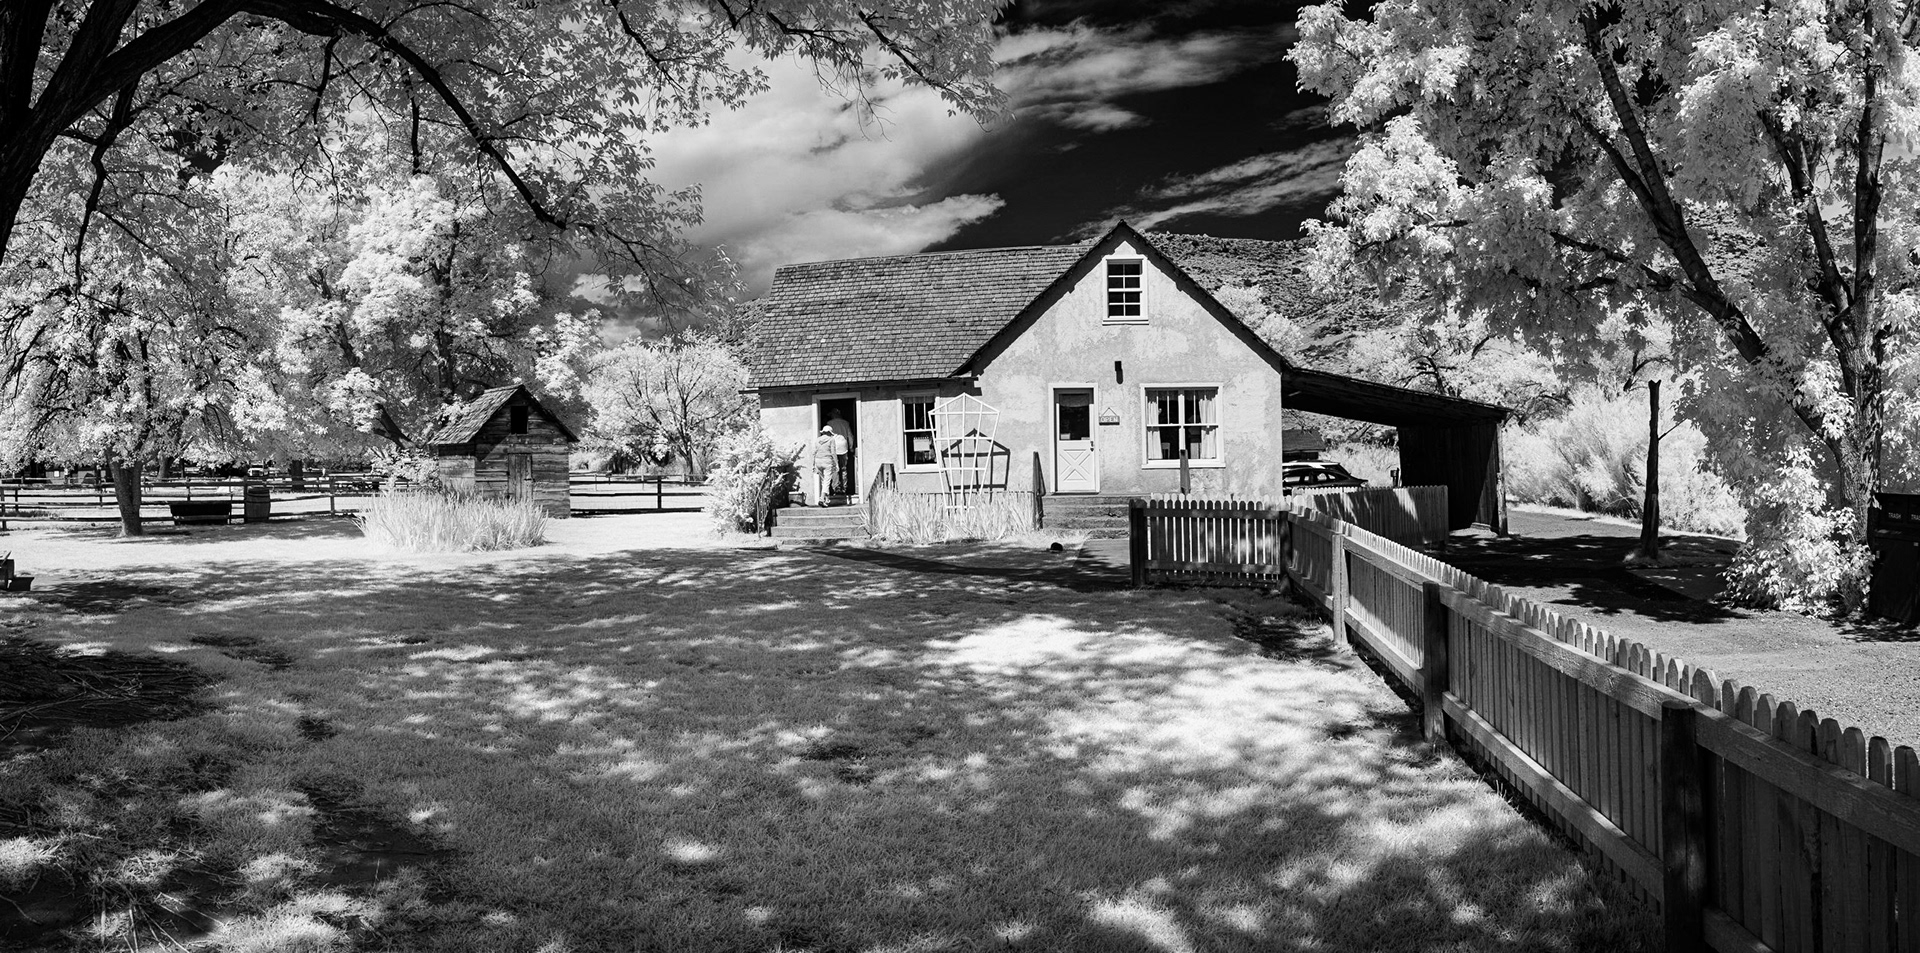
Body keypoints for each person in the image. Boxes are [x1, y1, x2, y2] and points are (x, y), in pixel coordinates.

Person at [822, 409, 853, 494]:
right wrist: (851, 447)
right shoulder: (846, 423)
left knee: (834, 468)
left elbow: (826, 437)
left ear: (833, 414)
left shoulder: (829, 423)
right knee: (843, 468)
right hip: (843, 447)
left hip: (833, 447)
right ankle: (844, 488)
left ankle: (836, 487)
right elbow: (850, 436)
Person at [810, 426, 838, 506]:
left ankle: (827, 499)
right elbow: (833, 452)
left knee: (824, 481)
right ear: (829, 432)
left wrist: (813, 464)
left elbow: (814, 452)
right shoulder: (831, 439)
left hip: (818, 461)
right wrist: (836, 463)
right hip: (827, 461)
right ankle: (822, 498)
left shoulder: (817, 440)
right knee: (827, 481)